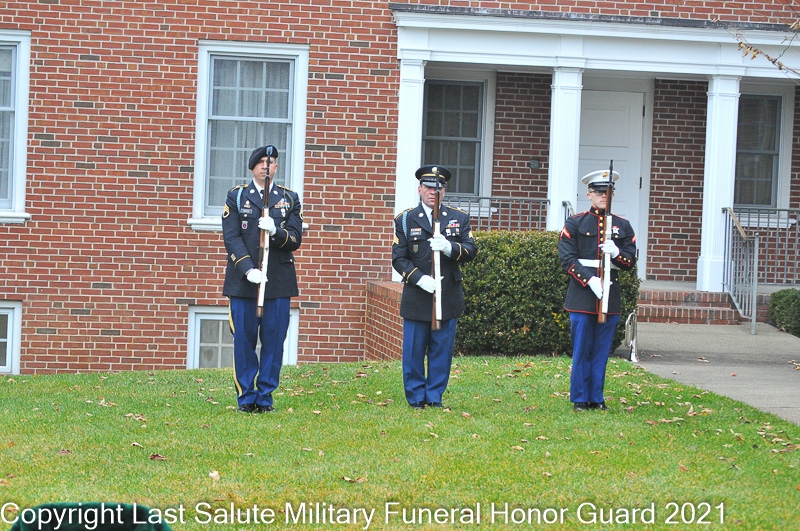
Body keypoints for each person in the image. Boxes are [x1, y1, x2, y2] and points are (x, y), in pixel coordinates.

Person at [221, 145, 303, 413]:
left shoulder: (289, 199)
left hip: (277, 282)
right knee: (243, 342)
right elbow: (231, 238)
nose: (266, 166)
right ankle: (246, 397)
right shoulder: (237, 197)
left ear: (276, 167)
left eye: (271, 162)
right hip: (243, 282)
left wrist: (276, 231)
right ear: (252, 167)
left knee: (273, 341)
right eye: (261, 162)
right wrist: (247, 269)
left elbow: (295, 239)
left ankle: (265, 396)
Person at [392, 165, 478, 410]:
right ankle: (416, 397)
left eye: (438, 189)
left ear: (444, 191)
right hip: (418, 295)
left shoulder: (458, 218)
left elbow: (471, 250)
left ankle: (434, 396)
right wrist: (419, 279)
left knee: (442, 349)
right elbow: (399, 258)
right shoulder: (406, 220)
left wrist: (450, 247)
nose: (433, 193)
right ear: (420, 189)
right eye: (429, 188)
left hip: (447, 295)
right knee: (414, 350)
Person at [558, 168, 637, 412]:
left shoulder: (623, 225)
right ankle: (580, 398)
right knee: (582, 349)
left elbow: (630, 261)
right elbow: (567, 259)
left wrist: (617, 252)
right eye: (599, 192)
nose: (604, 196)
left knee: (601, 350)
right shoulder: (576, 223)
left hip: (609, 295)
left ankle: (596, 397)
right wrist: (590, 279)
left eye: (608, 192)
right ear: (589, 194)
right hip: (583, 295)